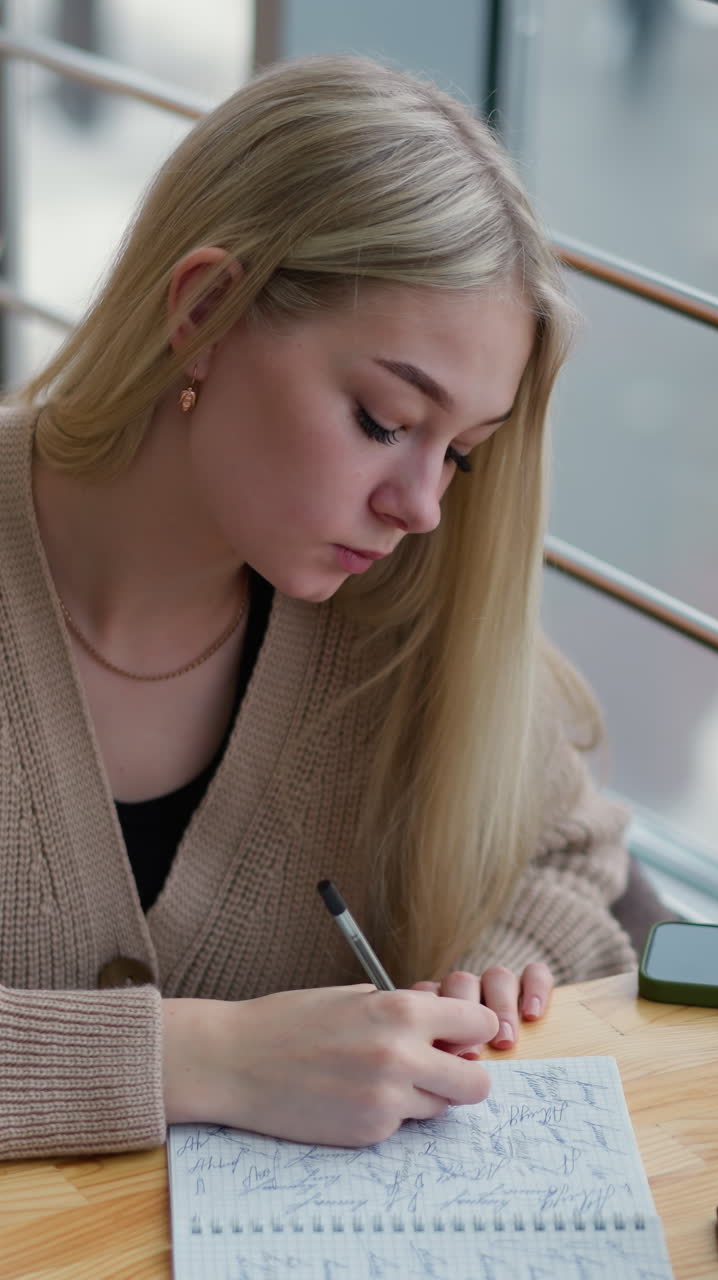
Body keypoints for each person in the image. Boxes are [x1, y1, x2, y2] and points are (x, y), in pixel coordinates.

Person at [0, 54, 636, 1162]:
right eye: (386, 419)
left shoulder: (402, 608)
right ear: (204, 309)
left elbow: (573, 856)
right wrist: (202, 1058)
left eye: (465, 457)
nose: (423, 505)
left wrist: (496, 966)